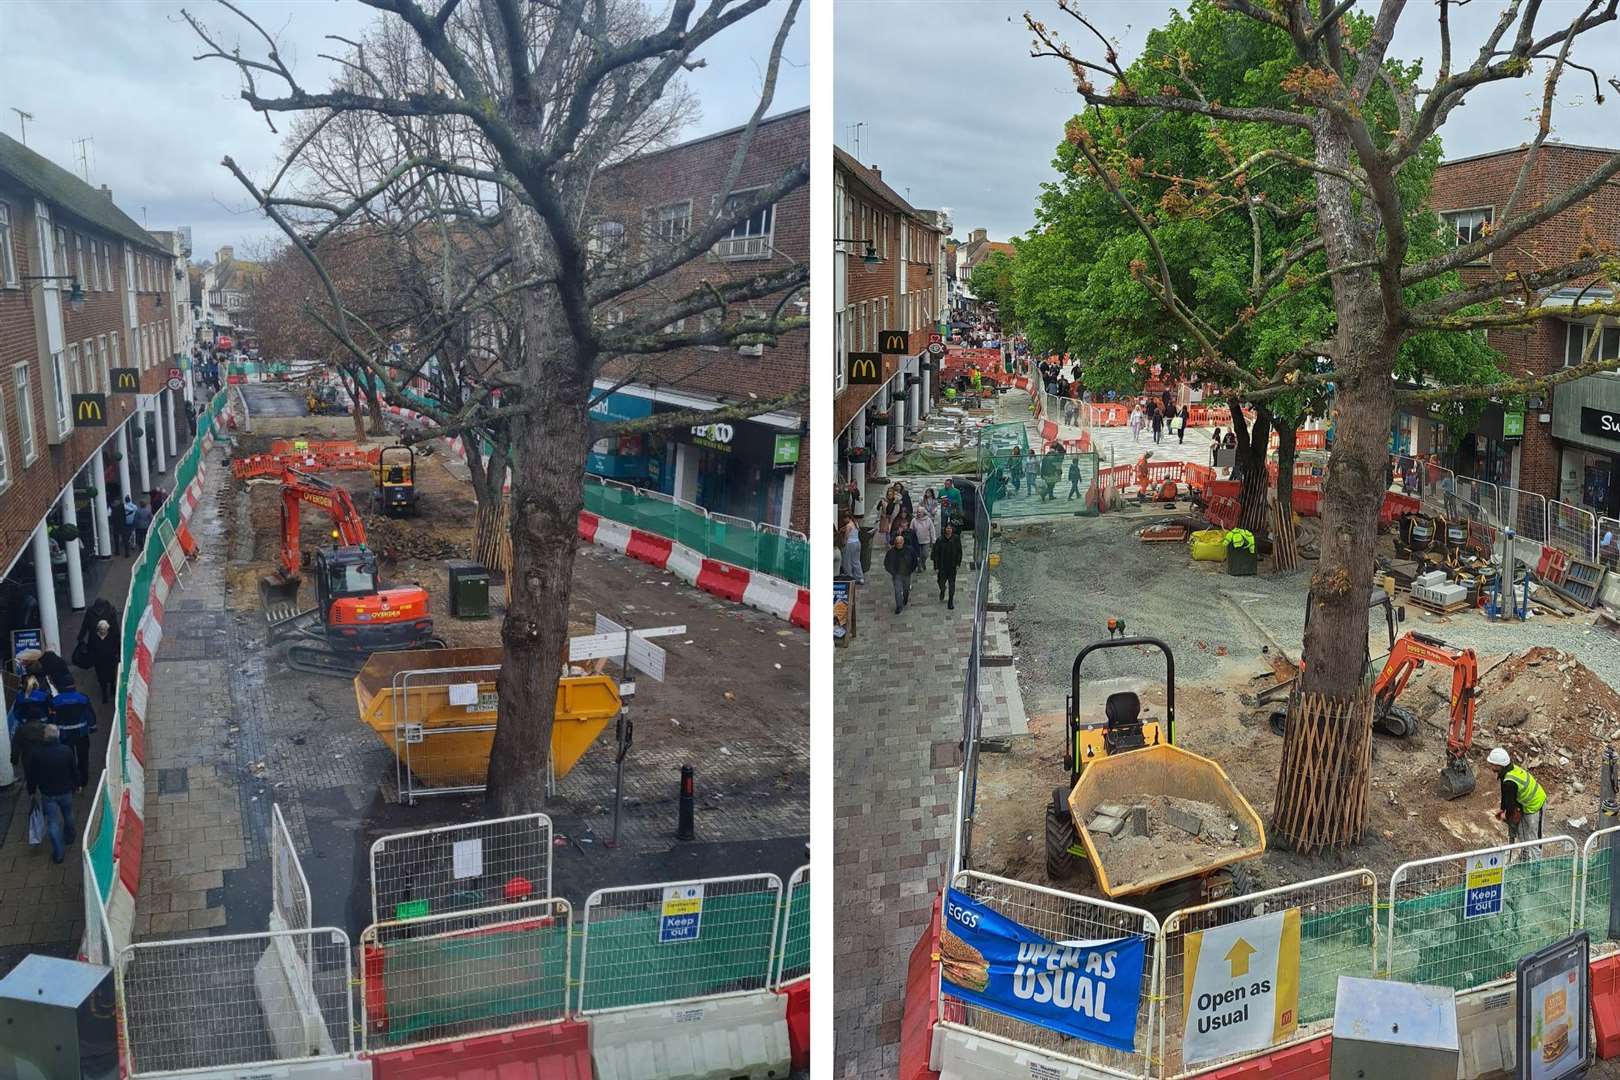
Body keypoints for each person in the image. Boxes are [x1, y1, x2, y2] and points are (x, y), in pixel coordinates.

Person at [25, 725, 77, 864]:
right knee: (68, 814)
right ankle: (70, 837)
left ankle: (59, 854)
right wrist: (76, 785)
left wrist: (31, 792)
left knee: (53, 822)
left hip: (48, 794)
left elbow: (32, 775)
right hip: (65, 791)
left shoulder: (36, 754)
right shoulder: (66, 750)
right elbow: (73, 769)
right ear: (57, 735)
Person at [1488, 747, 1545, 845]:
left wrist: (1506, 815)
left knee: (1534, 838)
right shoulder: (1508, 771)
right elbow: (1504, 793)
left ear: (1499, 765)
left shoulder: (1510, 781)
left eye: (1492, 764)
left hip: (1536, 804)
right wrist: (1502, 808)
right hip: (1524, 804)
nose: (1491, 766)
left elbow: (1510, 803)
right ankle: (1525, 858)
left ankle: (1535, 860)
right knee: (1523, 836)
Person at [49, 675, 95, 791]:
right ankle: (83, 781)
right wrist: (93, 727)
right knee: (83, 758)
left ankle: (72, 782)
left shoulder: (55, 701)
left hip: (64, 735)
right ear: (73, 684)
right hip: (81, 734)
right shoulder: (82, 698)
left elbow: (52, 718)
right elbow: (89, 714)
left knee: (68, 759)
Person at [87, 619, 120, 704]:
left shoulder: (111, 636)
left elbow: (116, 646)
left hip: (110, 661)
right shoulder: (94, 637)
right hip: (99, 662)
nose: (102, 631)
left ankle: (112, 687)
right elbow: (90, 648)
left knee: (112, 675)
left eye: (104, 629)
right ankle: (104, 694)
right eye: (101, 629)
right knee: (102, 679)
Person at [884, 534, 916, 615]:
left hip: (906, 574)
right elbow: (886, 563)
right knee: (897, 591)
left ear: (903, 542)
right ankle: (899, 606)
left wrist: (911, 570)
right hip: (897, 575)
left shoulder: (909, 550)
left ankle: (905, 598)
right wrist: (892, 572)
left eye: (900, 543)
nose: (898, 544)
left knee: (906, 589)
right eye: (897, 543)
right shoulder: (891, 552)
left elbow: (914, 560)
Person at [934, 522, 963, 610]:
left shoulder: (956, 539)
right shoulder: (940, 540)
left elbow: (959, 552)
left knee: (952, 584)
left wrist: (958, 563)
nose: (948, 530)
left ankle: (950, 600)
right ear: (945, 529)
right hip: (942, 566)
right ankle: (942, 590)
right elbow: (936, 554)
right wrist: (936, 566)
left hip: (952, 566)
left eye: (950, 528)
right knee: (941, 582)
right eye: (947, 528)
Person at [840, 515, 864, 585]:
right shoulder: (855, 523)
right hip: (857, 543)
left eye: (845, 518)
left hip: (850, 544)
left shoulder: (848, 526)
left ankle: (849, 577)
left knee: (847, 561)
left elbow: (846, 536)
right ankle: (860, 577)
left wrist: (843, 544)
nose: (844, 520)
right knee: (856, 561)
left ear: (848, 518)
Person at [912, 500, 936, 567]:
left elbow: (932, 530)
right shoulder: (914, 520)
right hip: (917, 541)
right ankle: (919, 566)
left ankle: (923, 562)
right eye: (918, 512)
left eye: (920, 512)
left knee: (925, 554)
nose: (919, 513)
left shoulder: (928, 520)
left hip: (926, 541)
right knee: (918, 555)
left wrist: (933, 539)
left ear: (923, 513)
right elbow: (911, 530)